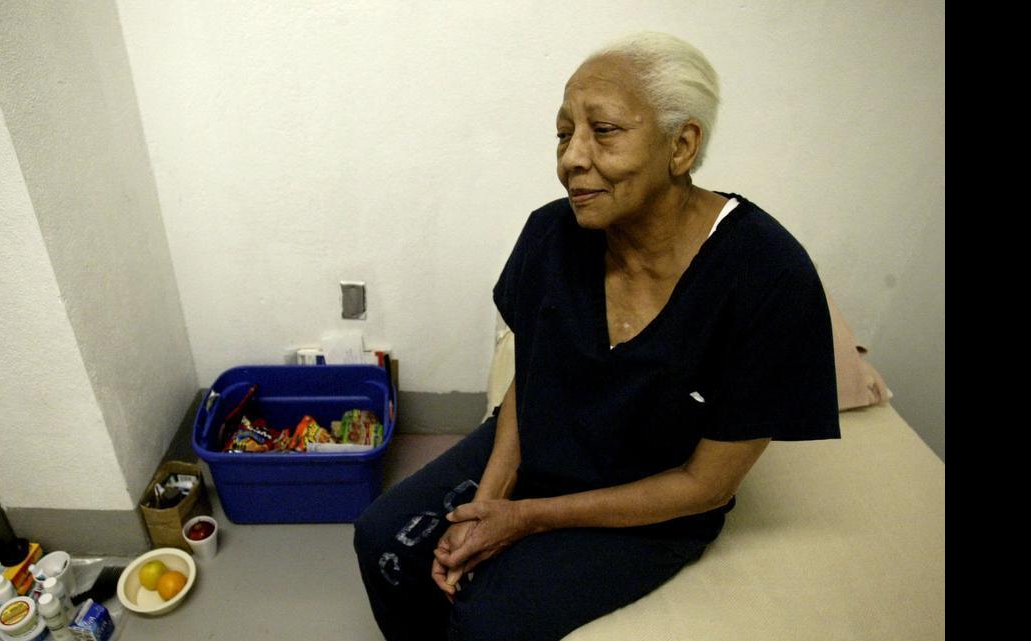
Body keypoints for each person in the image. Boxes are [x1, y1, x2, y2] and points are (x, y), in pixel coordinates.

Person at [354, 31, 840, 641]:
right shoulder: (552, 235)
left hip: (655, 499)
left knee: (489, 623)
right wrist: (492, 499)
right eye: (563, 133)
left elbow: (706, 483)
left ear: (682, 145)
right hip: (546, 438)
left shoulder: (769, 277)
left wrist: (522, 519)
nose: (571, 159)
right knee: (383, 542)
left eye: (603, 131)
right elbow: (526, 385)